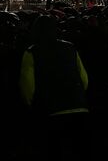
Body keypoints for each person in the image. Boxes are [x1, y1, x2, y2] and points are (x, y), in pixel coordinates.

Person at [19, 15, 90, 161]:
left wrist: (32, 104)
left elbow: (27, 83)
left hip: (50, 109)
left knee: (52, 150)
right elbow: (84, 78)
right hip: (77, 106)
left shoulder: (32, 52)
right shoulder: (70, 47)